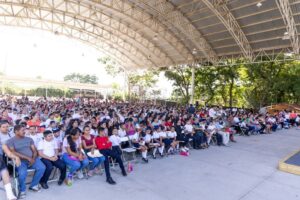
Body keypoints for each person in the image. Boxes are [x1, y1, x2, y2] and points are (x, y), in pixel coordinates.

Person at [5, 125, 46, 199]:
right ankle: (22, 190)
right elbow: (13, 152)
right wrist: (27, 158)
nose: (24, 131)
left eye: (25, 130)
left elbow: (34, 150)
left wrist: (33, 158)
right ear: (16, 132)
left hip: (32, 158)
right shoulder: (10, 141)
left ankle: (33, 185)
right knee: (22, 173)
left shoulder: (29, 139)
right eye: (22, 130)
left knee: (42, 167)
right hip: (20, 160)